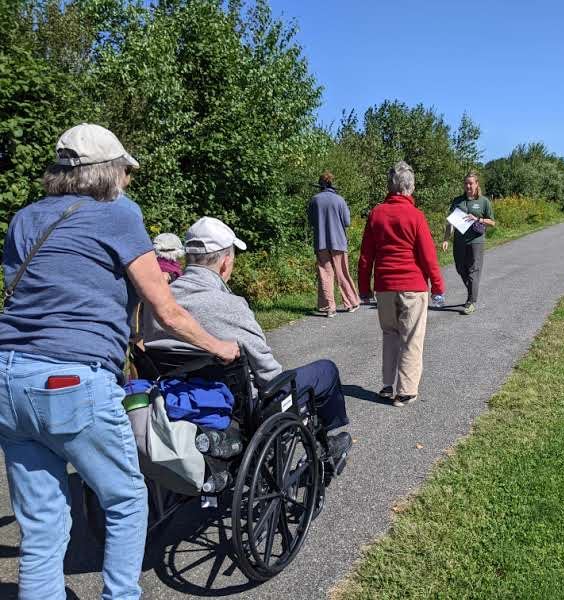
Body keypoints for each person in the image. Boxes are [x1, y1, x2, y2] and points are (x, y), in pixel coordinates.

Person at [0, 123, 239, 600]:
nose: (128, 182)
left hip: (9, 375)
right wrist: (218, 346)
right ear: (109, 173)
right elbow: (166, 310)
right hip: (71, 378)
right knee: (126, 499)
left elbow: (49, 290)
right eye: (126, 173)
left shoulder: (24, 219)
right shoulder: (118, 213)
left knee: (42, 518)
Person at [142, 217, 352, 452]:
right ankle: (326, 448)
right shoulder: (231, 306)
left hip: (176, 400)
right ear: (225, 262)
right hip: (241, 411)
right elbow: (269, 375)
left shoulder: (159, 304)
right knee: (326, 371)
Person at [358, 161, 445, 407]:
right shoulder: (416, 216)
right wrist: (438, 287)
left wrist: (363, 288)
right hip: (412, 286)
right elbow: (428, 256)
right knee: (411, 338)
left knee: (390, 335)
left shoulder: (376, 214)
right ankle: (405, 391)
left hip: (384, 287)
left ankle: (387, 385)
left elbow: (366, 256)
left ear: (390, 186)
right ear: (410, 187)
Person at [307, 171, 360, 317]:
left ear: (320, 185)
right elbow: (347, 222)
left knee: (325, 274)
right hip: (338, 241)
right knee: (342, 272)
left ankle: (329, 307)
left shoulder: (314, 200)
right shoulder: (339, 200)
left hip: (321, 242)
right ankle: (350, 303)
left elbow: (311, 221)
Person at [442, 171, 496, 315]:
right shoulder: (457, 201)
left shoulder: (483, 201)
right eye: (466, 183)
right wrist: (446, 239)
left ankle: (471, 301)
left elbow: (492, 222)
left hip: (476, 242)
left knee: (473, 270)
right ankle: (473, 289)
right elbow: (450, 222)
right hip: (459, 241)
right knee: (461, 268)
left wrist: (478, 219)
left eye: (471, 183)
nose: (468, 186)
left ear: (477, 184)